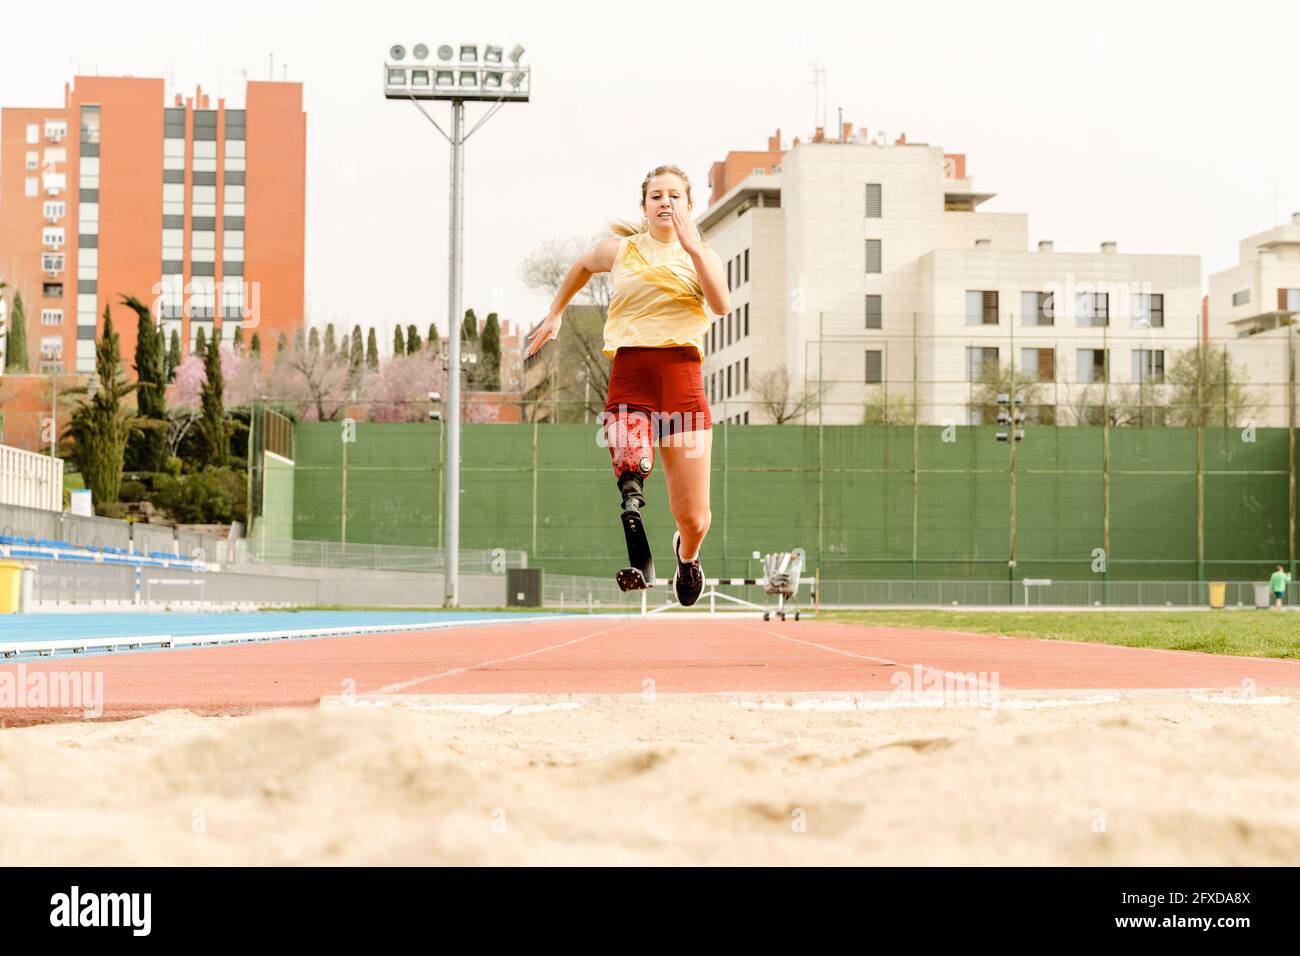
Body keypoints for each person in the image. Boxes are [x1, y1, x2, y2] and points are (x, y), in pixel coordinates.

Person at [526, 164, 728, 606]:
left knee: (693, 517)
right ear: (644, 204)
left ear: (689, 205)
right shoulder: (620, 251)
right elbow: (582, 264)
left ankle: (687, 556)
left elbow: (721, 304)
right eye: (657, 196)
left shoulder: (703, 257)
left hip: (682, 383)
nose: (665, 203)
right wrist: (557, 311)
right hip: (631, 376)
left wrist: (694, 250)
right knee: (632, 464)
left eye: (675, 196)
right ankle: (632, 512)